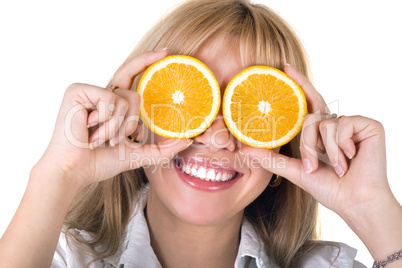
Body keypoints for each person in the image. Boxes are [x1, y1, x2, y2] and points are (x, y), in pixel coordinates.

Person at [0, 0, 401, 267]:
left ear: (287, 142)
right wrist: (58, 174)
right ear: (135, 121)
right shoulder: (56, 257)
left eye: (250, 111)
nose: (218, 137)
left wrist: (371, 206)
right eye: (187, 103)